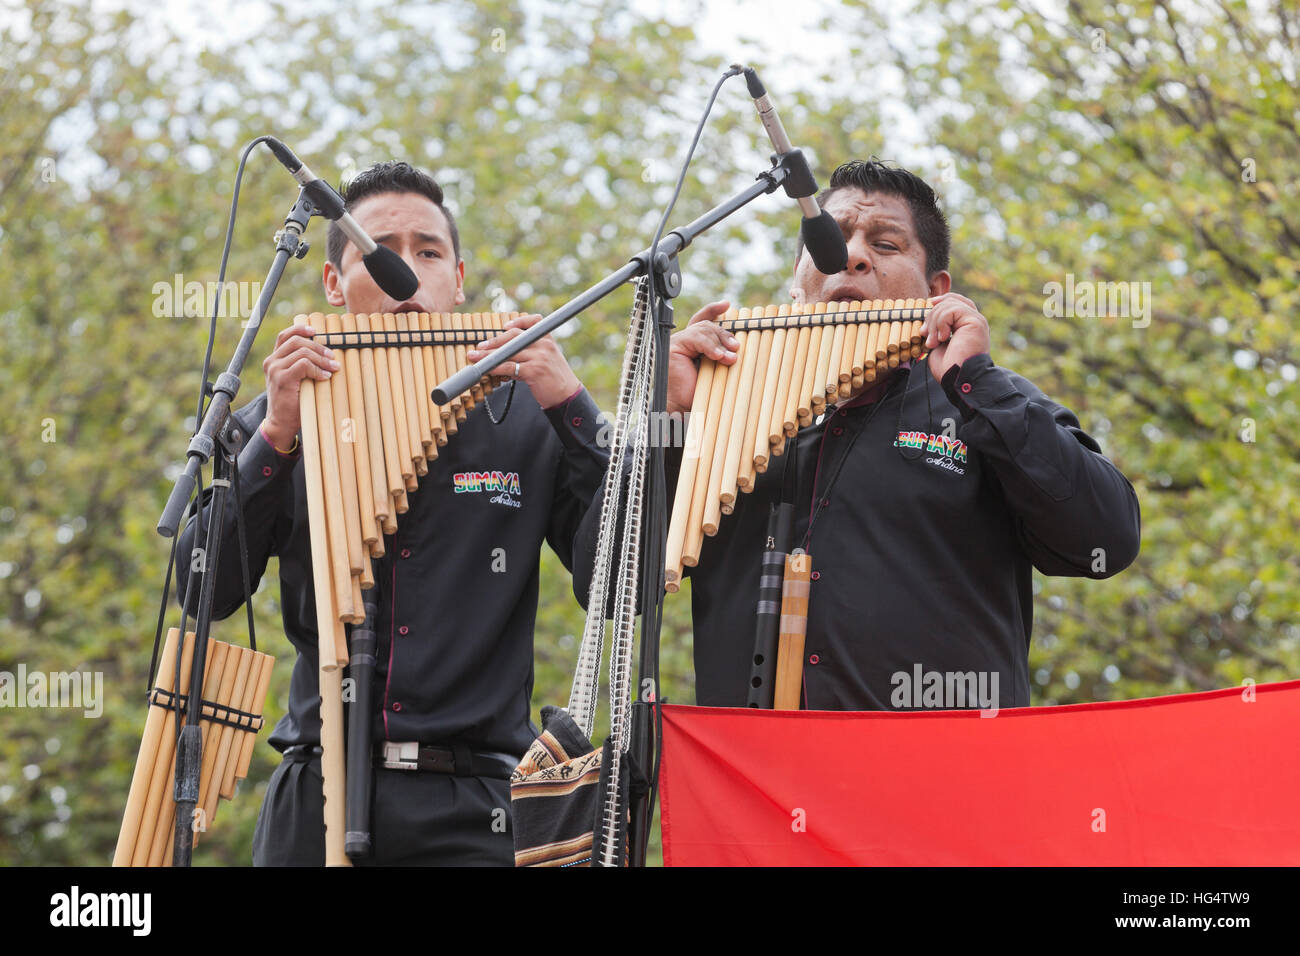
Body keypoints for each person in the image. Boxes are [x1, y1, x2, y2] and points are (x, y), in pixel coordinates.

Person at [574, 158, 1140, 712]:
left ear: (935, 289)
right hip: (753, 783)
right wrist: (669, 417)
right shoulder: (719, 411)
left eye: (887, 245)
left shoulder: (984, 401)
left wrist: (979, 384)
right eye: (829, 243)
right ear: (797, 284)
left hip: (940, 781)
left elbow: (1104, 542)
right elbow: (602, 586)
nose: (852, 256)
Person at [177, 161, 607, 864]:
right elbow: (203, 589)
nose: (406, 272)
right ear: (333, 284)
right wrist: (276, 440)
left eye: (428, 252)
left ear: (459, 279)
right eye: (380, 252)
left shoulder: (528, 413)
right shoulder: (279, 415)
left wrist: (573, 407)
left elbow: (619, 586)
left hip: (476, 810)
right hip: (315, 797)